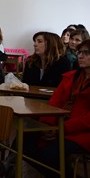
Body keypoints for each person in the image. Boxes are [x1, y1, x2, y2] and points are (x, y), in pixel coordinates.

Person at [24, 39, 90, 177]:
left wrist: (61, 128)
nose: (80, 56)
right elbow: (55, 102)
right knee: (24, 142)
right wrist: (46, 125)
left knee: (50, 154)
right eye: (79, 52)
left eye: (86, 53)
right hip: (59, 125)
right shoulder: (71, 77)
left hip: (82, 132)